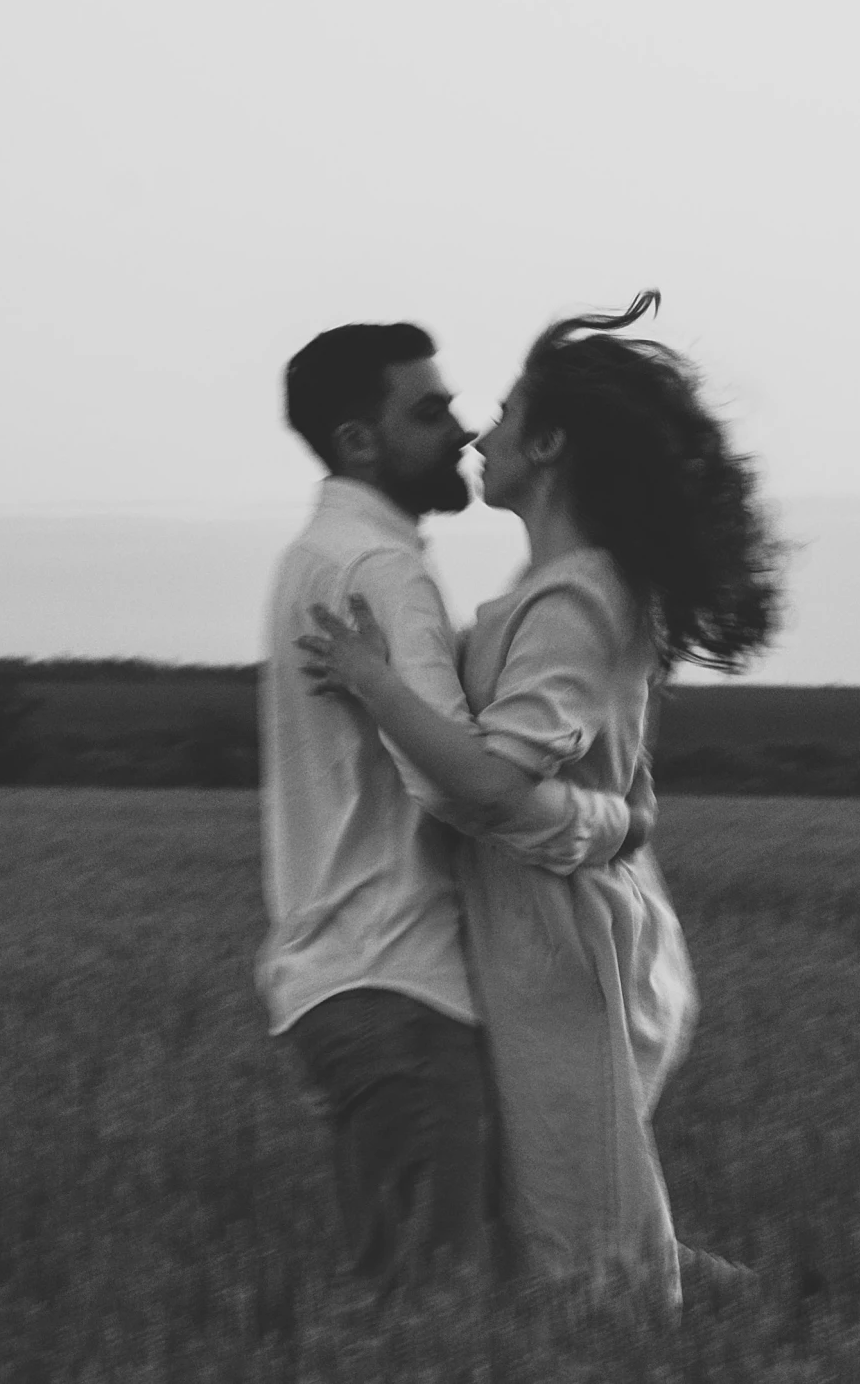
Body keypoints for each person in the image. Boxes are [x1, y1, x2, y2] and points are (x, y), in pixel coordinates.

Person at [297, 292, 781, 1309]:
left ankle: (760, 1320)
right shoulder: (568, 591)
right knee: (560, 1231)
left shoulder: (571, 598)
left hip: (561, 945)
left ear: (551, 443)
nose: (483, 430)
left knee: (584, 1256)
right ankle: (767, 1314)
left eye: (509, 410)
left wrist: (370, 678)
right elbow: (621, 783)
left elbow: (487, 788)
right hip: (550, 929)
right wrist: (611, 820)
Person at [260, 323, 637, 1296]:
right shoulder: (385, 572)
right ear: (358, 442)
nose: (460, 428)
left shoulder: (313, 553)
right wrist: (612, 823)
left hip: (342, 984)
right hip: (400, 986)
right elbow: (460, 785)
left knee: (426, 1302)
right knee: (433, 1318)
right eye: (427, 411)